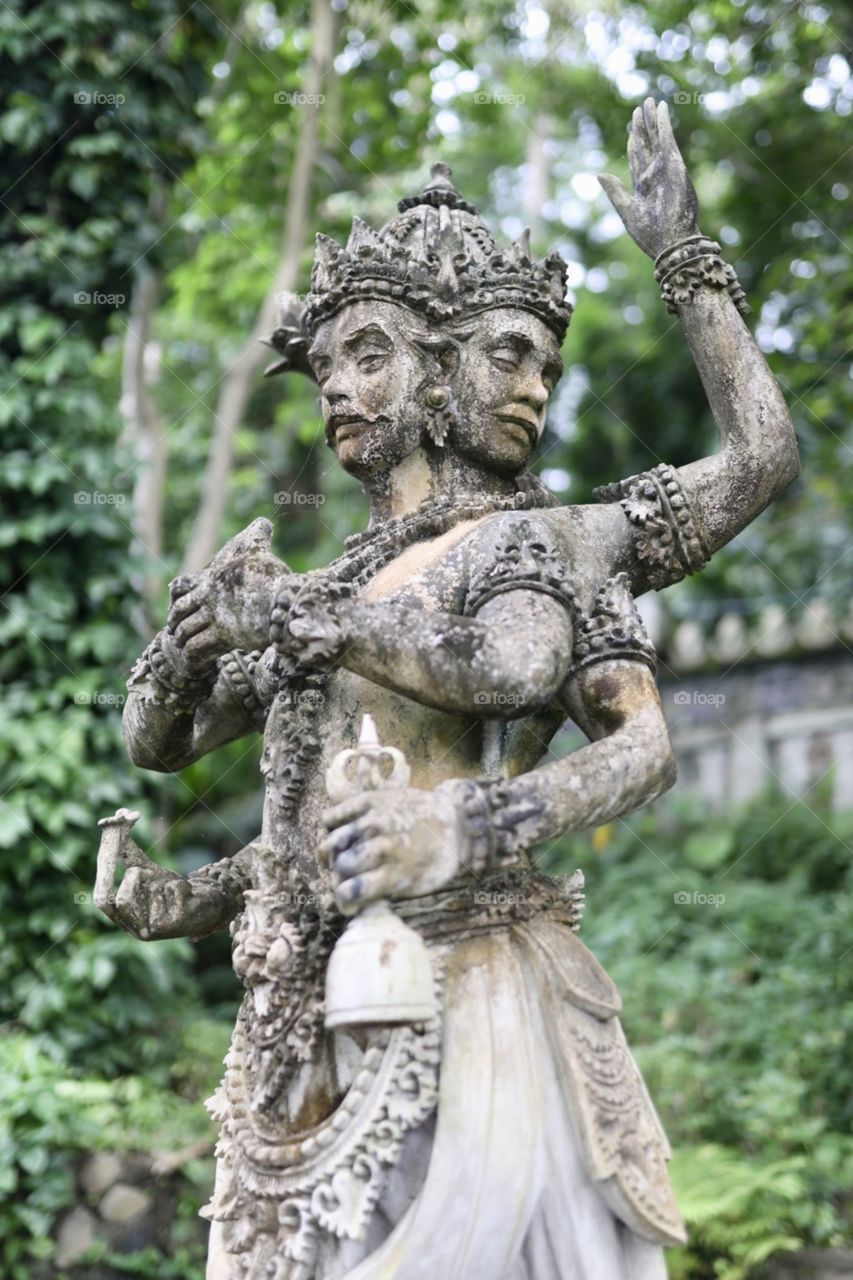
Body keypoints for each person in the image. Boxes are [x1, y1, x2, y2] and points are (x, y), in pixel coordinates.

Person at [96, 101, 798, 1280]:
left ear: (427, 361)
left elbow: (639, 720)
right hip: (305, 1014)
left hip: (476, 992)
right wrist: (188, 882)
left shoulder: (552, 542)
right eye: (331, 366)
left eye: (364, 355)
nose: (534, 385)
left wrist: (685, 262)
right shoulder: (324, 585)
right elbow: (181, 753)